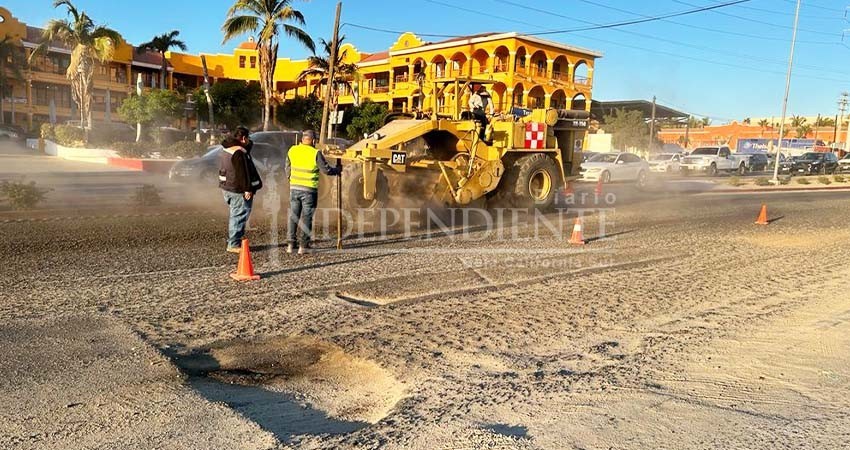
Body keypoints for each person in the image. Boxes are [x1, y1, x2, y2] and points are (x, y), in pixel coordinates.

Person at [285, 130, 341, 254]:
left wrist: (292, 180)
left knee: (293, 216)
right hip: (309, 191)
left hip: (294, 189)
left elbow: (287, 168)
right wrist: (337, 170)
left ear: (302, 139)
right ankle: (303, 246)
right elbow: (326, 170)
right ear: (314, 141)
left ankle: (290, 245)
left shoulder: (292, 150)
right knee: (307, 218)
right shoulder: (316, 153)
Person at [219, 126, 263, 253]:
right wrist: (247, 189)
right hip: (237, 189)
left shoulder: (228, 148)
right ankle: (233, 244)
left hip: (227, 187)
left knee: (235, 215)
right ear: (243, 138)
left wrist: (246, 144)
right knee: (238, 216)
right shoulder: (239, 153)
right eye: (248, 138)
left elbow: (246, 149)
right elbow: (242, 173)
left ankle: (233, 240)